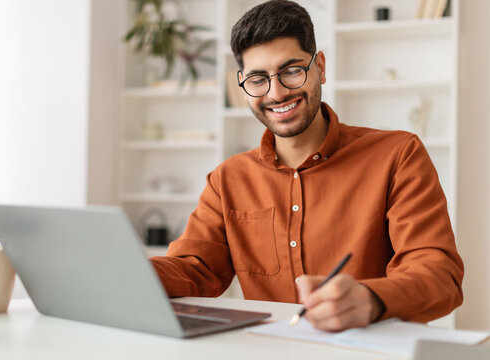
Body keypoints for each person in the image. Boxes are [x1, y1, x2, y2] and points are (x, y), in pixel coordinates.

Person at [150, 0, 463, 332]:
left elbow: (439, 275)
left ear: (321, 67)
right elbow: (195, 270)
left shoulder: (398, 154)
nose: (277, 92)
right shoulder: (227, 179)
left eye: (291, 71)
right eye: (258, 79)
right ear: (243, 84)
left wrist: (371, 299)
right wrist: (127, 271)